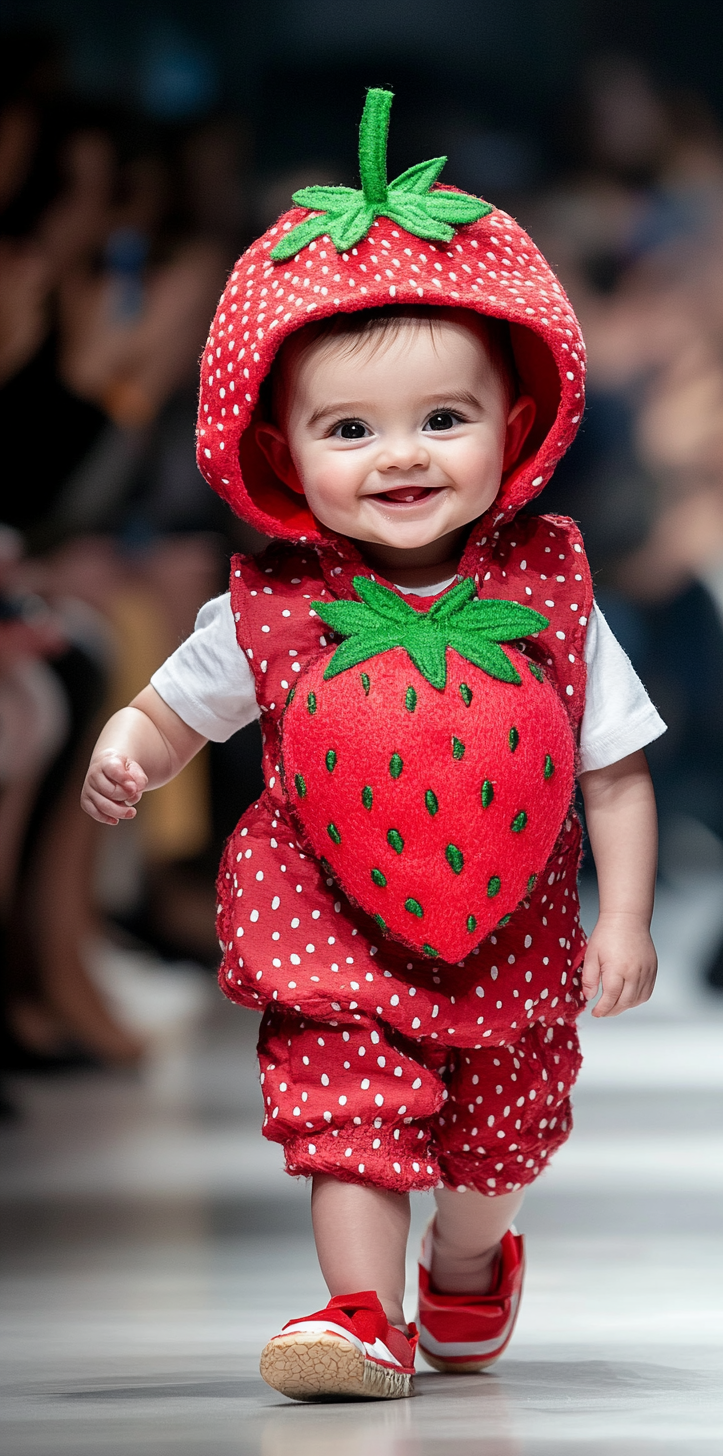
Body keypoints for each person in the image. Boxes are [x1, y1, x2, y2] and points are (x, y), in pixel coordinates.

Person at [81, 91, 664, 1401]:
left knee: (491, 1147)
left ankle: (472, 1259)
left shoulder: (556, 594)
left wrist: (619, 917)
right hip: (331, 922)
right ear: (280, 450)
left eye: (440, 420)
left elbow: (611, 768)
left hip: (510, 931)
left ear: (512, 426)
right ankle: (359, 1310)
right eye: (349, 431)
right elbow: (178, 706)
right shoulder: (268, 610)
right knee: (349, 1118)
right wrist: (129, 748)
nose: (399, 457)